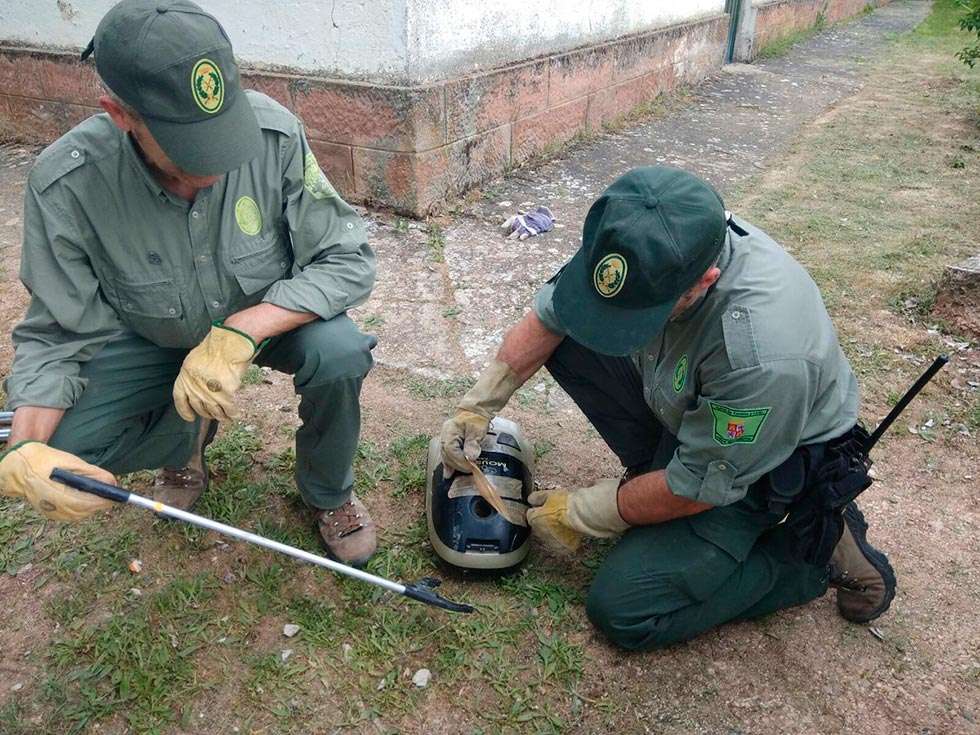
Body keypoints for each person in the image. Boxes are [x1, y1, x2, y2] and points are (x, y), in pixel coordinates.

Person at [440, 166, 896, 649]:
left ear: (705, 280)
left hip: (762, 465)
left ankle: (810, 559)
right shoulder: (644, 237)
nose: (622, 323)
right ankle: (649, 472)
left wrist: (583, 511)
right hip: (692, 407)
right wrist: (478, 404)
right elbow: (554, 314)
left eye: (643, 314)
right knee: (572, 336)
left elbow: (694, 488)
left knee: (624, 608)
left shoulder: (759, 355)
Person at [0, 0, 378, 566]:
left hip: (267, 319)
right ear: (119, 114)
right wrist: (25, 445)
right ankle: (187, 439)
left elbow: (347, 259)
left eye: (223, 133)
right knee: (60, 449)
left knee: (341, 351)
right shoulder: (68, 183)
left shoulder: (274, 133)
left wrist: (245, 329)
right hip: (153, 337)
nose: (218, 164)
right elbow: (57, 333)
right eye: (188, 145)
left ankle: (329, 492)